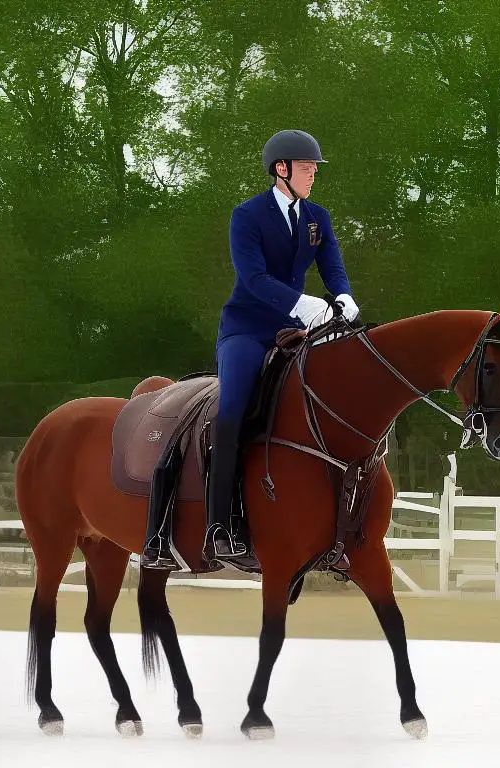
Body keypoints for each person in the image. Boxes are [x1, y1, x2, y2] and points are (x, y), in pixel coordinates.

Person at [203, 129, 360, 569]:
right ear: (281, 170)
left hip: (295, 330)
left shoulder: (317, 217)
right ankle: (219, 525)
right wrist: (305, 303)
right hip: (248, 330)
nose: (313, 176)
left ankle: (336, 529)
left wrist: (343, 297)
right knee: (232, 409)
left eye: (314, 169)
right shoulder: (246, 216)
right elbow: (253, 279)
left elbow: (333, 268)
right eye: (307, 169)